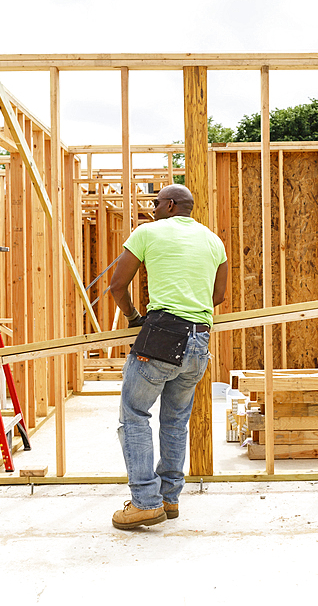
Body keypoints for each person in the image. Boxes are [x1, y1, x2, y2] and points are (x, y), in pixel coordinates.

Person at [109, 183, 227, 530]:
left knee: (134, 415)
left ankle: (145, 503)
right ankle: (168, 499)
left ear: (170, 205)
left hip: (161, 336)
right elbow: (217, 296)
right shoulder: (213, 240)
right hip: (199, 341)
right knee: (175, 422)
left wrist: (133, 318)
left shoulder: (148, 232)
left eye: (156, 203)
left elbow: (117, 285)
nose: (152, 209)